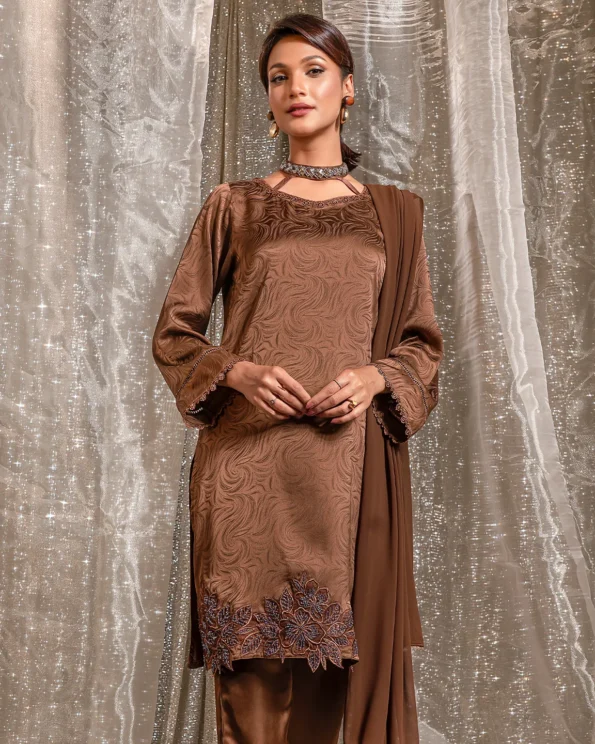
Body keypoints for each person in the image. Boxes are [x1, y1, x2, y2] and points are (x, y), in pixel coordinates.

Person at [152, 12, 444, 744]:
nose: (295, 88)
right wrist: (238, 371)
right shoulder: (235, 204)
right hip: (246, 474)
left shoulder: (393, 216)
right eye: (278, 77)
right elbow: (175, 334)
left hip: (346, 481)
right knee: (248, 708)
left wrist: (375, 378)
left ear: (348, 88)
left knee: (324, 704)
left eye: (313, 71)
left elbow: (420, 343)